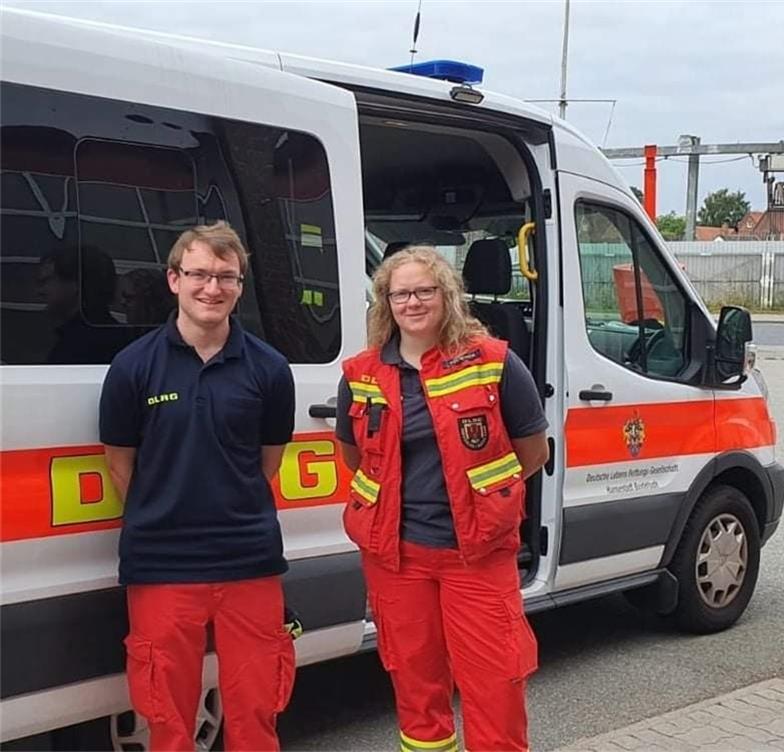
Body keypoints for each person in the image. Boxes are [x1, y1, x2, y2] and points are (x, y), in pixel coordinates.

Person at [336, 246, 549, 752]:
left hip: (475, 555)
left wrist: (482, 501)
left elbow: (533, 451)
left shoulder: (494, 362)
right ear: (385, 302)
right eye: (400, 293)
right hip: (397, 558)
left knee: (496, 686)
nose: (412, 302)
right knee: (416, 687)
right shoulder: (361, 374)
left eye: (424, 291)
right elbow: (353, 457)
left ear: (447, 296)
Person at [99, 221, 296, 751]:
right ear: (173, 280)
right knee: (167, 717)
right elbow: (122, 467)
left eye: (226, 277)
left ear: (239, 286)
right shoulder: (132, 368)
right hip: (162, 564)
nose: (213, 288)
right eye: (200, 274)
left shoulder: (270, 369)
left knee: (257, 712)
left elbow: (266, 463)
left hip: (249, 562)